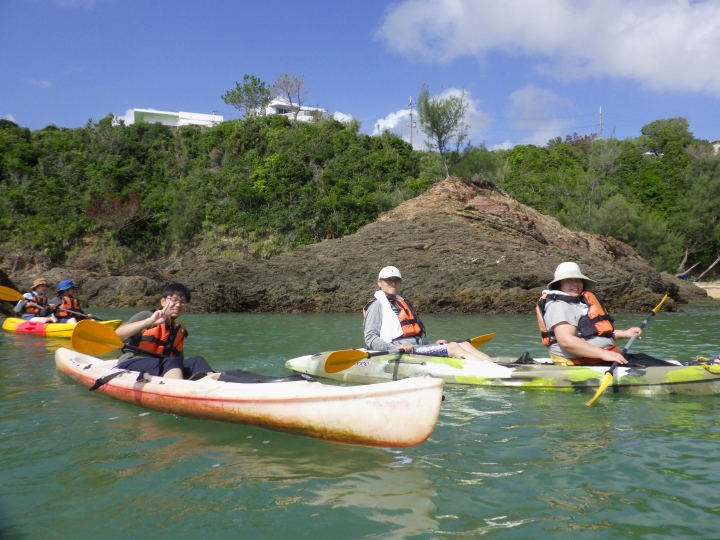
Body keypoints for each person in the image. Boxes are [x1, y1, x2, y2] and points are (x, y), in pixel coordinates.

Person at [536, 262, 674, 367]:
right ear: (559, 284)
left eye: (578, 280)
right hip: (582, 362)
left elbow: (593, 333)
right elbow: (566, 341)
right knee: (649, 365)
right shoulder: (559, 306)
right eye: (569, 280)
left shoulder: (579, 304)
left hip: (602, 357)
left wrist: (625, 333)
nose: (575, 284)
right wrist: (604, 354)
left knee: (644, 358)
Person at [363, 266, 493, 361]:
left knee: (465, 344)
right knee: (453, 347)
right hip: (401, 350)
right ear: (379, 282)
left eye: (396, 280)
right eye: (388, 280)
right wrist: (393, 347)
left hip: (419, 346)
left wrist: (433, 344)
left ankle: (495, 366)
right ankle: (490, 371)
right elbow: (370, 338)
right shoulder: (377, 305)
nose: (393, 283)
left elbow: (413, 336)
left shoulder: (402, 302)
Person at [114, 283, 216, 380]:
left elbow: (178, 360)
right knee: (171, 362)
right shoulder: (147, 316)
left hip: (163, 364)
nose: (178, 305)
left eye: (183, 302)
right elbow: (117, 335)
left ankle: (215, 386)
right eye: (174, 300)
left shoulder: (177, 330)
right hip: (132, 362)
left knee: (197, 361)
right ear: (163, 301)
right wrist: (149, 322)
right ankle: (177, 391)